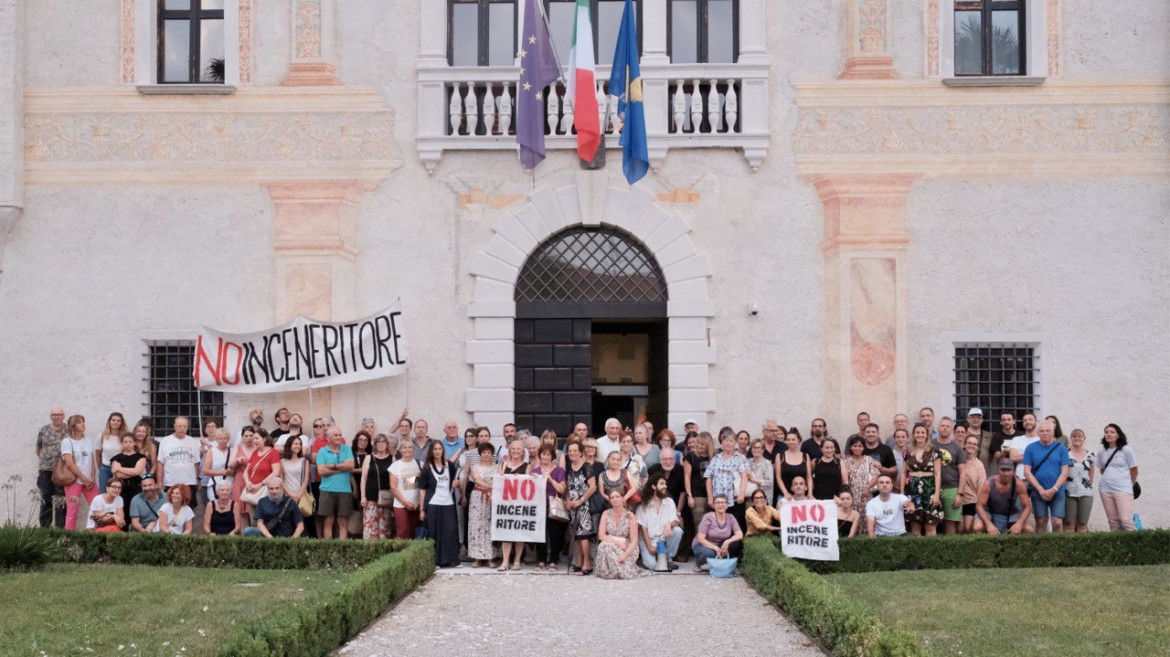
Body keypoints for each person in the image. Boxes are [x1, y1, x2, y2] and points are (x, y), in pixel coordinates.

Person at [419, 441, 461, 567]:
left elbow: (456, 481)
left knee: (450, 531)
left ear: (443, 450)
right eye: (435, 449)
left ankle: (451, 559)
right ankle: (435, 561)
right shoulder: (427, 467)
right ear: (431, 452)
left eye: (439, 449)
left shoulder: (450, 465)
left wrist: (456, 483)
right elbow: (422, 489)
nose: (437, 451)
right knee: (434, 532)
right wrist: (422, 509)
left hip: (448, 503)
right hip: (433, 503)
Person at [1023, 419, 1069, 533]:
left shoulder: (1061, 448)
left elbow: (1065, 472)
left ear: (1053, 432)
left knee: (1057, 522)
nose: (1044, 433)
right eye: (1042, 431)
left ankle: (1057, 549)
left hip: (1057, 491)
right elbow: (1027, 472)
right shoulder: (1031, 448)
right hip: (1038, 491)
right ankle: (1041, 550)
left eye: (1047, 431)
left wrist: (1053, 489)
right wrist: (1040, 490)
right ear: (1037, 433)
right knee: (1041, 521)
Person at [635, 474, 683, 571]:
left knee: (677, 531)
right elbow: (643, 529)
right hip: (649, 539)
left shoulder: (669, 501)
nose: (665, 486)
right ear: (653, 486)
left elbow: (675, 521)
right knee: (653, 566)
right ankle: (650, 557)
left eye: (665, 484)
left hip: (664, 539)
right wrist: (650, 547)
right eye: (661, 484)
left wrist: (669, 524)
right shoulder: (643, 505)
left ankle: (668, 558)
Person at [530, 444, 567, 570]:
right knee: (540, 533)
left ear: (552, 456)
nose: (545, 457)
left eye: (548, 454)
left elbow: (561, 489)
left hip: (553, 506)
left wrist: (550, 479)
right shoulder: (534, 471)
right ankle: (541, 559)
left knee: (555, 533)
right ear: (539, 455)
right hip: (539, 506)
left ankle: (553, 560)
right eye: (543, 454)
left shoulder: (559, 471)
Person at [595, 490, 646, 579]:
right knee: (604, 545)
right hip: (612, 543)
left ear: (623, 499)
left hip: (627, 546)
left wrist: (625, 555)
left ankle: (618, 569)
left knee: (607, 545)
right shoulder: (606, 513)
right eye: (612, 497)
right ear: (610, 501)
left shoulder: (630, 516)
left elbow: (634, 541)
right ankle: (610, 571)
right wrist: (617, 542)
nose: (615, 499)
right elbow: (601, 536)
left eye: (617, 496)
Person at [1097, 423, 1138, 531]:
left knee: (1126, 520)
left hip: (1123, 489)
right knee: (1113, 522)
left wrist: (1130, 484)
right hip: (1105, 489)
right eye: (1106, 432)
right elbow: (1102, 469)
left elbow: (1134, 469)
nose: (1109, 434)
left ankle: (1137, 546)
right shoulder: (1102, 451)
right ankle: (1117, 546)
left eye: (1112, 432)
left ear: (1118, 435)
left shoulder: (1126, 450)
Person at [903, 423, 943, 535]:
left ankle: (932, 552)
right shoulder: (907, 451)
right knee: (915, 526)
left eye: (922, 433)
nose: (920, 435)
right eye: (917, 432)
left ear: (926, 435)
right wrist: (902, 495)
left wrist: (936, 494)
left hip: (929, 488)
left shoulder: (934, 451)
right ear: (914, 435)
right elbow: (903, 474)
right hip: (912, 489)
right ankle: (917, 553)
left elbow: (938, 474)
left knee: (930, 526)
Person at [61, 414, 98, 530]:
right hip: (74, 481)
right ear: (73, 426)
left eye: (83, 422)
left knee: (98, 506)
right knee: (73, 510)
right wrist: (84, 479)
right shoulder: (67, 442)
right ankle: (69, 537)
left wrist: (92, 477)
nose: (83, 424)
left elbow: (91, 460)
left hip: (89, 482)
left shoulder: (87, 440)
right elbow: (70, 463)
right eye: (79, 422)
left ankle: (98, 533)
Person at [706, 431, 749, 532]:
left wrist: (741, 494)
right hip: (718, 501)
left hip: (735, 500)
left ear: (735, 443)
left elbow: (744, 476)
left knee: (736, 526)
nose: (728, 443)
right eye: (726, 440)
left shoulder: (740, 458)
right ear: (722, 443)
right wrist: (710, 497)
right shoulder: (715, 459)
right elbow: (709, 478)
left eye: (731, 441)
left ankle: (736, 547)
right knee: (719, 527)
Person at [316, 426, 355, 539]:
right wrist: (342, 469)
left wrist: (332, 466)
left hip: (344, 490)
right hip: (327, 490)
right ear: (328, 437)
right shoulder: (322, 451)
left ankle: (342, 547)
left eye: (340, 435)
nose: (339, 437)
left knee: (342, 521)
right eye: (336, 435)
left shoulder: (346, 449)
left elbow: (351, 465)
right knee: (328, 520)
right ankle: (328, 547)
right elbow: (321, 470)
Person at [564, 441, 597, 574]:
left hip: (585, 506)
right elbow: (568, 486)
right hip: (573, 506)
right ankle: (579, 561)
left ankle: (587, 563)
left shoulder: (586, 466)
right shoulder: (569, 466)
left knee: (584, 535)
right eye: (570, 451)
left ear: (580, 452)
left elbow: (593, 486)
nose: (572, 453)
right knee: (575, 535)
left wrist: (580, 500)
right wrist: (568, 501)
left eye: (575, 450)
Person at [976, 458, 1033, 534]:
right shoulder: (989, 483)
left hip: (1010, 514)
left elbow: (1027, 506)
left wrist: (1019, 523)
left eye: (1008, 470)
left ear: (1013, 471)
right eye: (1003, 470)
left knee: (1029, 529)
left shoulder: (1019, 484)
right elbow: (979, 506)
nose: (1006, 473)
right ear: (998, 470)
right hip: (990, 512)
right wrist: (988, 524)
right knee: (977, 527)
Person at [497, 439, 529, 571]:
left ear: (522, 452)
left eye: (518, 449)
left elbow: (528, 485)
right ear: (509, 451)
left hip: (520, 505)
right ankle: (505, 562)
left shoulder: (527, 466)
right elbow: (498, 482)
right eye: (513, 449)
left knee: (519, 533)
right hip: (506, 505)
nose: (516, 451)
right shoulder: (503, 465)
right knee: (506, 533)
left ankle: (517, 561)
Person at [157, 416, 201, 510]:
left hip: (189, 482)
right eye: (179, 426)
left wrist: (198, 479)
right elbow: (160, 463)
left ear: (188, 427)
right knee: (170, 509)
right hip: (171, 482)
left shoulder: (192, 441)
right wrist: (159, 481)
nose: (182, 428)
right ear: (174, 426)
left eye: (184, 426)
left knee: (189, 509)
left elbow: (196, 463)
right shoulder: (165, 441)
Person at [35, 405, 68, 528]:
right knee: (46, 500)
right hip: (45, 470)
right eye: (54, 414)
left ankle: (60, 530)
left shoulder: (69, 430)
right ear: (50, 416)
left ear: (63, 416)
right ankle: (45, 530)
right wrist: (47, 460)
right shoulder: (44, 430)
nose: (57, 417)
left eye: (59, 414)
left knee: (61, 501)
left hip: (62, 472)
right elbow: (39, 449)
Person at [933, 417, 967, 535]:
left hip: (951, 489)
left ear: (952, 430)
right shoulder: (930, 444)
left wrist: (960, 494)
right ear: (938, 427)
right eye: (942, 425)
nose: (945, 428)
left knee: (950, 522)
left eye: (948, 426)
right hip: (931, 488)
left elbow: (963, 472)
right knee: (931, 522)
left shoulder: (957, 448)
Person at [691, 494, 743, 572]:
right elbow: (701, 538)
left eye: (723, 502)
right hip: (702, 544)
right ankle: (698, 563)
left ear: (727, 505)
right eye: (717, 503)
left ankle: (723, 564)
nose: (720, 505)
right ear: (713, 505)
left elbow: (740, 534)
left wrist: (727, 542)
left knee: (735, 544)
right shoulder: (708, 517)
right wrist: (716, 548)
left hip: (720, 544)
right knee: (710, 554)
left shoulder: (731, 517)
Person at [360, 433, 396, 540]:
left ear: (387, 444)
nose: (381, 444)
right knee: (370, 529)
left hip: (386, 498)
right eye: (378, 442)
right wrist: (363, 496)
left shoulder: (392, 458)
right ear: (375, 444)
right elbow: (363, 478)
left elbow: (394, 479)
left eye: (383, 442)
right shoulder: (368, 458)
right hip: (370, 498)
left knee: (385, 530)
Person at [467, 442, 497, 566]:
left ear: (492, 454)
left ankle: (491, 557)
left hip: (492, 498)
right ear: (480, 454)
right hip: (478, 498)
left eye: (489, 452)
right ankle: (477, 557)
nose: (486, 455)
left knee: (490, 525)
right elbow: (477, 480)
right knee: (477, 525)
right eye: (484, 452)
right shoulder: (475, 467)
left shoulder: (497, 466)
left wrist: (493, 489)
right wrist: (490, 486)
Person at [244, 430, 283, 519]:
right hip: (252, 488)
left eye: (257, 438)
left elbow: (276, 472)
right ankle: (254, 533)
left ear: (264, 439)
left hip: (265, 489)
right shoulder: (254, 452)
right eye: (254, 439)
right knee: (253, 516)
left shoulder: (273, 453)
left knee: (264, 516)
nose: (254, 441)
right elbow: (246, 471)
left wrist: (260, 485)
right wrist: (247, 482)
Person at [389, 440, 422, 539]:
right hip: (400, 505)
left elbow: (424, 485)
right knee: (402, 531)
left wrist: (419, 502)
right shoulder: (395, 466)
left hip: (417, 505)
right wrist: (405, 503)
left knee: (414, 532)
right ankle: (400, 553)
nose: (407, 449)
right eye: (404, 447)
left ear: (413, 449)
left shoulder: (421, 464)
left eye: (409, 447)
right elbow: (393, 488)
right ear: (401, 450)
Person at [1063, 428, 1095, 533]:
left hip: (1086, 493)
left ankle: (1081, 548)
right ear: (1071, 438)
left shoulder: (1091, 455)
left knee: (1082, 524)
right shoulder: (1065, 453)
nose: (1077, 438)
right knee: (1069, 524)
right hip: (1069, 492)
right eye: (1074, 436)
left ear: (1084, 438)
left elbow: (1091, 475)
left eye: (1079, 436)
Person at [683, 432, 713, 535]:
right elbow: (687, 477)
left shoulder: (713, 457)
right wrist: (689, 495)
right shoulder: (691, 456)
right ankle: (699, 548)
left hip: (713, 495)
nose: (699, 446)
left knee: (712, 524)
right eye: (698, 443)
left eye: (702, 444)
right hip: (697, 495)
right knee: (700, 525)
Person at [109, 433, 147, 515]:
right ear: (122, 443)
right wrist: (133, 472)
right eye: (125, 442)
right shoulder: (116, 458)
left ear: (135, 443)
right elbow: (118, 475)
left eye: (130, 442)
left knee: (136, 511)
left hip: (137, 487)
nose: (128, 444)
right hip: (121, 488)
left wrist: (118, 468)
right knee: (123, 510)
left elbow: (138, 471)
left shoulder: (141, 457)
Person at [843, 436, 880, 515]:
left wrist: (867, 487)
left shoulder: (868, 459)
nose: (857, 448)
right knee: (853, 519)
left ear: (863, 447)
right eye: (855, 446)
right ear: (851, 447)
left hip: (866, 495)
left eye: (860, 446)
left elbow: (876, 476)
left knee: (867, 519)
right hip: (851, 496)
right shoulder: (846, 462)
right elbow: (845, 480)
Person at [959, 433, 988, 534]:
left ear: (977, 447)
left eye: (975, 444)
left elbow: (982, 487)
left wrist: (979, 506)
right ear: (964, 444)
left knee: (967, 528)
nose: (972, 446)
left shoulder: (979, 465)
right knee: (959, 529)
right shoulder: (958, 461)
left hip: (971, 501)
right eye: (969, 443)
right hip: (957, 499)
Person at [231, 426, 258, 528]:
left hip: (254, 481)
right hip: (240, 480)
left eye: (251, 435)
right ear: (242, 437)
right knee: (241, 511)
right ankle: (244, 537)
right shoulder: (238, 447)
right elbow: (230, 465)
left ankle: (255, 537)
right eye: (246, 436)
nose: (249, 438)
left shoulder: (258, 448)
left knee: (254, 511)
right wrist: (237, 460)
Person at [775, 430, 812, 501]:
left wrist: (810, 493)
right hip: (784, 496)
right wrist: (786, 493)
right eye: (788, 440)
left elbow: (809, 477)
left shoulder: (805, 456)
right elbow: (778, 477)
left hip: (802, 497)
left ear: (798, 440)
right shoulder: (780, 456)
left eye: (793, 439)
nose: (791, 442)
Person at [97, 412, 129, 493]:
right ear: (109, 421)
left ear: (121, 423)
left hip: (121, 469)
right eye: (113, 420)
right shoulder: (102, 436)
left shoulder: (124, 437)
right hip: (106, 469)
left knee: (120, 493)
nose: (116, 422)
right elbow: (98, 454)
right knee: (104, 493)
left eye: (118, 420)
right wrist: (101, 468)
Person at [202, 428, 234, 504]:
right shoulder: (211, 451)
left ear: (228, 439)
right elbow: (205, 470)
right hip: (215, 484)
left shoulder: (233, 451)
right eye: (220, 438)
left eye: (225, 438)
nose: (223, 441)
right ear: (216, 439)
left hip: (230, 485)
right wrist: (223, 472)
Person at [281, 436, 309, 510]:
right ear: (289, 445)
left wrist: (298, 495)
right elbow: (281, 480)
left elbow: (306, 481)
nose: (298, 446)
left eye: (300, 444)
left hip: (301, 496)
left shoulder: (304, 461)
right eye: (295, 444)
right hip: (287, 495)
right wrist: (291, 494)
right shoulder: (282, 461)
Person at [965, 408, 995, 474]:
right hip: (967, 472)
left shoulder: (989, 435)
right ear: (968, 419)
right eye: (973, 417)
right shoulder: (963, 434)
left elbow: (993, 457)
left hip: (985, 472)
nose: (976, 419)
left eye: (979, 417)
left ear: (982, 420)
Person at [746, 439, 776, 506]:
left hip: (763, 499)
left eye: (758, 448)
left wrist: (754, 480)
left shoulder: (767, 463)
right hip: (749, 498)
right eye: (754, 447)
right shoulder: (747, 462)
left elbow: (769, 482)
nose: (756, 450)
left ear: (763, 450)